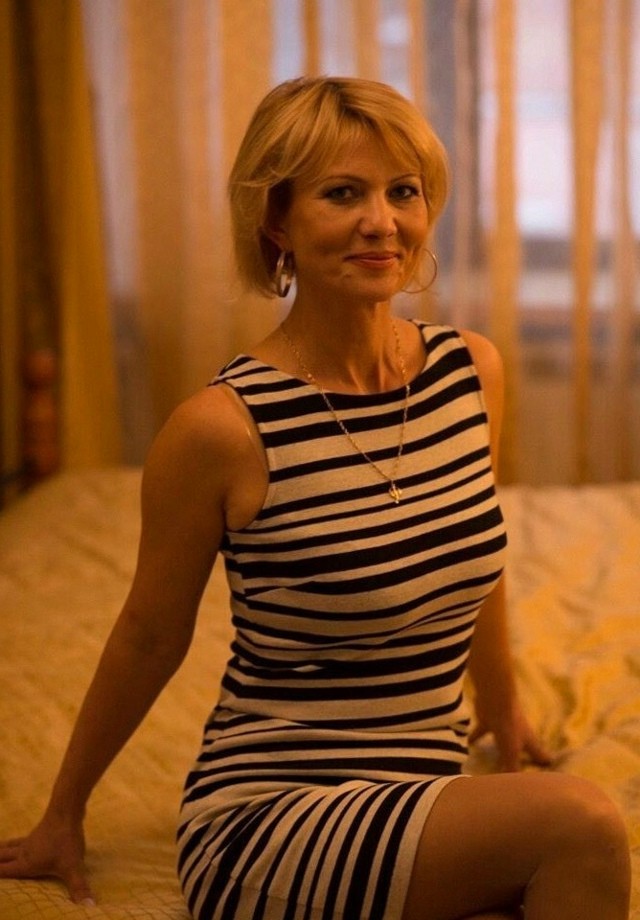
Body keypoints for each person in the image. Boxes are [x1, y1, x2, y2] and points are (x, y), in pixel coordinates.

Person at [0, 76, 630, 920]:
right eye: (342, 194)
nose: (382, 222)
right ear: (277, 221)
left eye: (402, 191)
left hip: (422, 780)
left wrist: (503, 707)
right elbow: (149, 634)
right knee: (584, 825)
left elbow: (470, 552)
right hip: (272, 813)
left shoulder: (468, 370)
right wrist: (63, 812)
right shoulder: (221, 429)